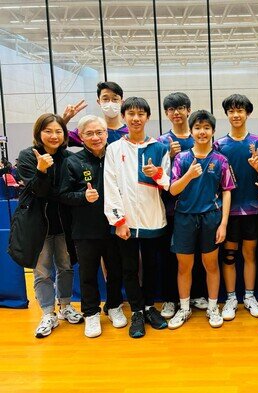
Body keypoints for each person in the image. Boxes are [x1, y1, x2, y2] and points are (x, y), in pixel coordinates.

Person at [104, 97, 171, 338]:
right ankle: (136, 312)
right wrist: (118, 221)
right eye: (131, 114)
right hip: (127, 222)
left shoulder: (160, 148)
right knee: (129, 268)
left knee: (152, 266)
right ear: (124, 117)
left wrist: (158, 174)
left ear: (148, 117)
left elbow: (168, 184)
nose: (136, 118)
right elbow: (110, 186)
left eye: (141, 114)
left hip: (154, 218)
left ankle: (150, 306)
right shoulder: (114, 149)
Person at [14, 114, 83, 338]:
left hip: (64, 223)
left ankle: (65, 306)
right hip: (38, 224)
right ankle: (47, 313)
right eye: (48, 131)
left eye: (58, 131)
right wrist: (41, 169)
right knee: (42, 272)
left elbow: (68, 191)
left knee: (66, 266)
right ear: (38, 133)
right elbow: (38, 191)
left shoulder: (67, 157)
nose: (53, 136)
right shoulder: (27, 156)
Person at [59, 115, 127, 338]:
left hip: (114, 226)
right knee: (88, 273)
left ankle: (114, 306)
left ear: (107, 133)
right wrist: (82, 196)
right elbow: (63, 194)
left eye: (100, 132)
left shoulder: (116, 156)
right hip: (85, 229)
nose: (96, 137)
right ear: (80, 136)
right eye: (89, 133)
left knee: (115, 270)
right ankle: (90, 313)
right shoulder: (73, 162)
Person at [168, 110, 235, 329]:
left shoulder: (221, 160)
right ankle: (185, 308)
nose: (202, 132)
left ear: (213, 131)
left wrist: (223, 223)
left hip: (211, 218)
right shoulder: (182, 158)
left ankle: (213, 307)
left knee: (211, 265)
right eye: (197, 127)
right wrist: (189, 175)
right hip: (185, 218)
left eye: (206, 128)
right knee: (183, 266)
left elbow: (227, 191)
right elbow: (172, 190)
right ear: (192, 131)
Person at [157, 92, 208, 318]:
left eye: (180, 108)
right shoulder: (161, 142)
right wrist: (168, 155)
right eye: (171, 109)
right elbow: (157, 176)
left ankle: (197, 294)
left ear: (188, 110)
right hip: (171, 209)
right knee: (173, 255)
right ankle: (170, 299)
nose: (176, 112)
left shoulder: (199, 136)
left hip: (200, 208)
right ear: (166, 114)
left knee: (198, 253)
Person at [213, 94, 258, 321]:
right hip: (229, 212)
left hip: (254, 210)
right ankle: (232, 297)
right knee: (230, 255)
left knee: (250, 253)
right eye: (231, 111)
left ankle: (251, 296)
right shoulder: (219, 145)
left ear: (248, 113)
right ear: (227, 115)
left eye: (240, 111)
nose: (236, 115)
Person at [67, 81, 128, 147]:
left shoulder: (129, 132)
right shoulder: (89, 129)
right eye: (105, 99)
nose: (110, 103)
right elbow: (61, 138)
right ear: (99, 101)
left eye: (115, 99)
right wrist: (66, 118)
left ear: (122, 102)